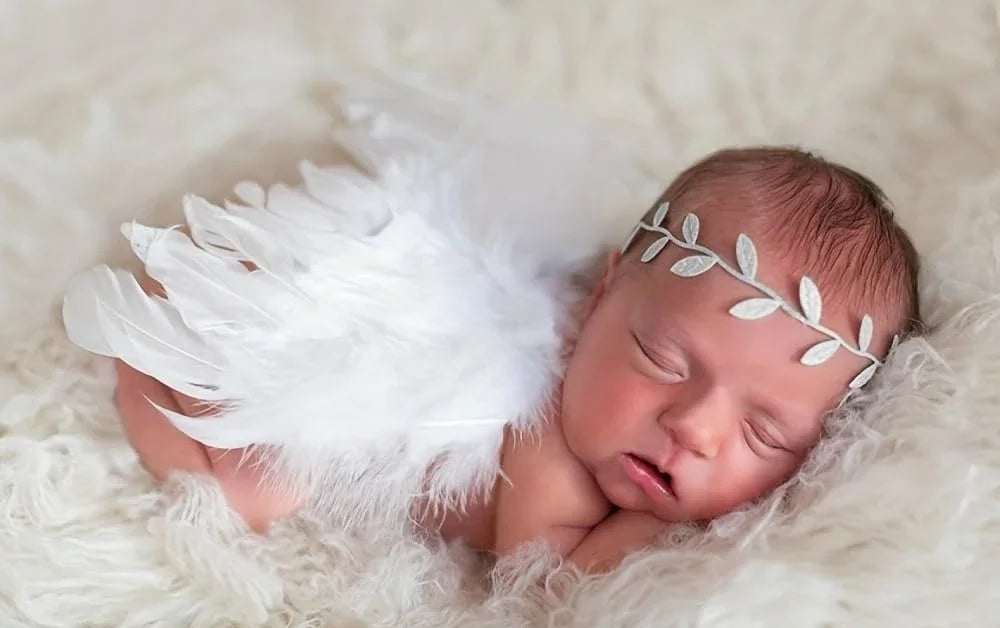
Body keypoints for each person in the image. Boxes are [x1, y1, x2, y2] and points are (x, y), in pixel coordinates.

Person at [107, 146, 922, 572]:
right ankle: (143, 353)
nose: (694, 429)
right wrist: (654, 527)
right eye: (662, 358)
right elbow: (545, 589)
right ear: (598, 297)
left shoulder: (623, 374)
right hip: (277, 332)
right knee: (255, 492)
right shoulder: (550, 442)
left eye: (766, 433)